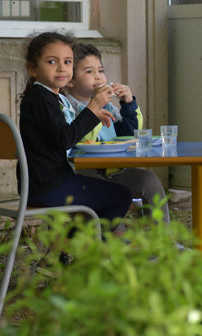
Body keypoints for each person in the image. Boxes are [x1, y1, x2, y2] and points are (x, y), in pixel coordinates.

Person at [17, 31, 132, 234]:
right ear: (32, 68)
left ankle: (69, 250)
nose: (62, 68)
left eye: (68, 62)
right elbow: (65, 139)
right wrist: (93, 107)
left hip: (41, 185)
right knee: (121, 195)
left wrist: (93, 115)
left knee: (106, 194)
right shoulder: (41, 97)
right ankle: (78, 252)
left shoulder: (46, 96)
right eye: (52, 62)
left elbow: (62, 135)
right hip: (49, 187)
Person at [63, 43, 172, 229]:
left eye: (101, 70)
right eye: (89, 71)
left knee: (149, 180)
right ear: (70, 80)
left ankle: (163, 243)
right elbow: (77, 140)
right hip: (81, 173)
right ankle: (116, 249)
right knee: (111, 194)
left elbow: (128, 134)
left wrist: (128, 104)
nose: (98, 76)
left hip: (112, 170)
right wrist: (94, 107)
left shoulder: (107, 106)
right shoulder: (67, 106)